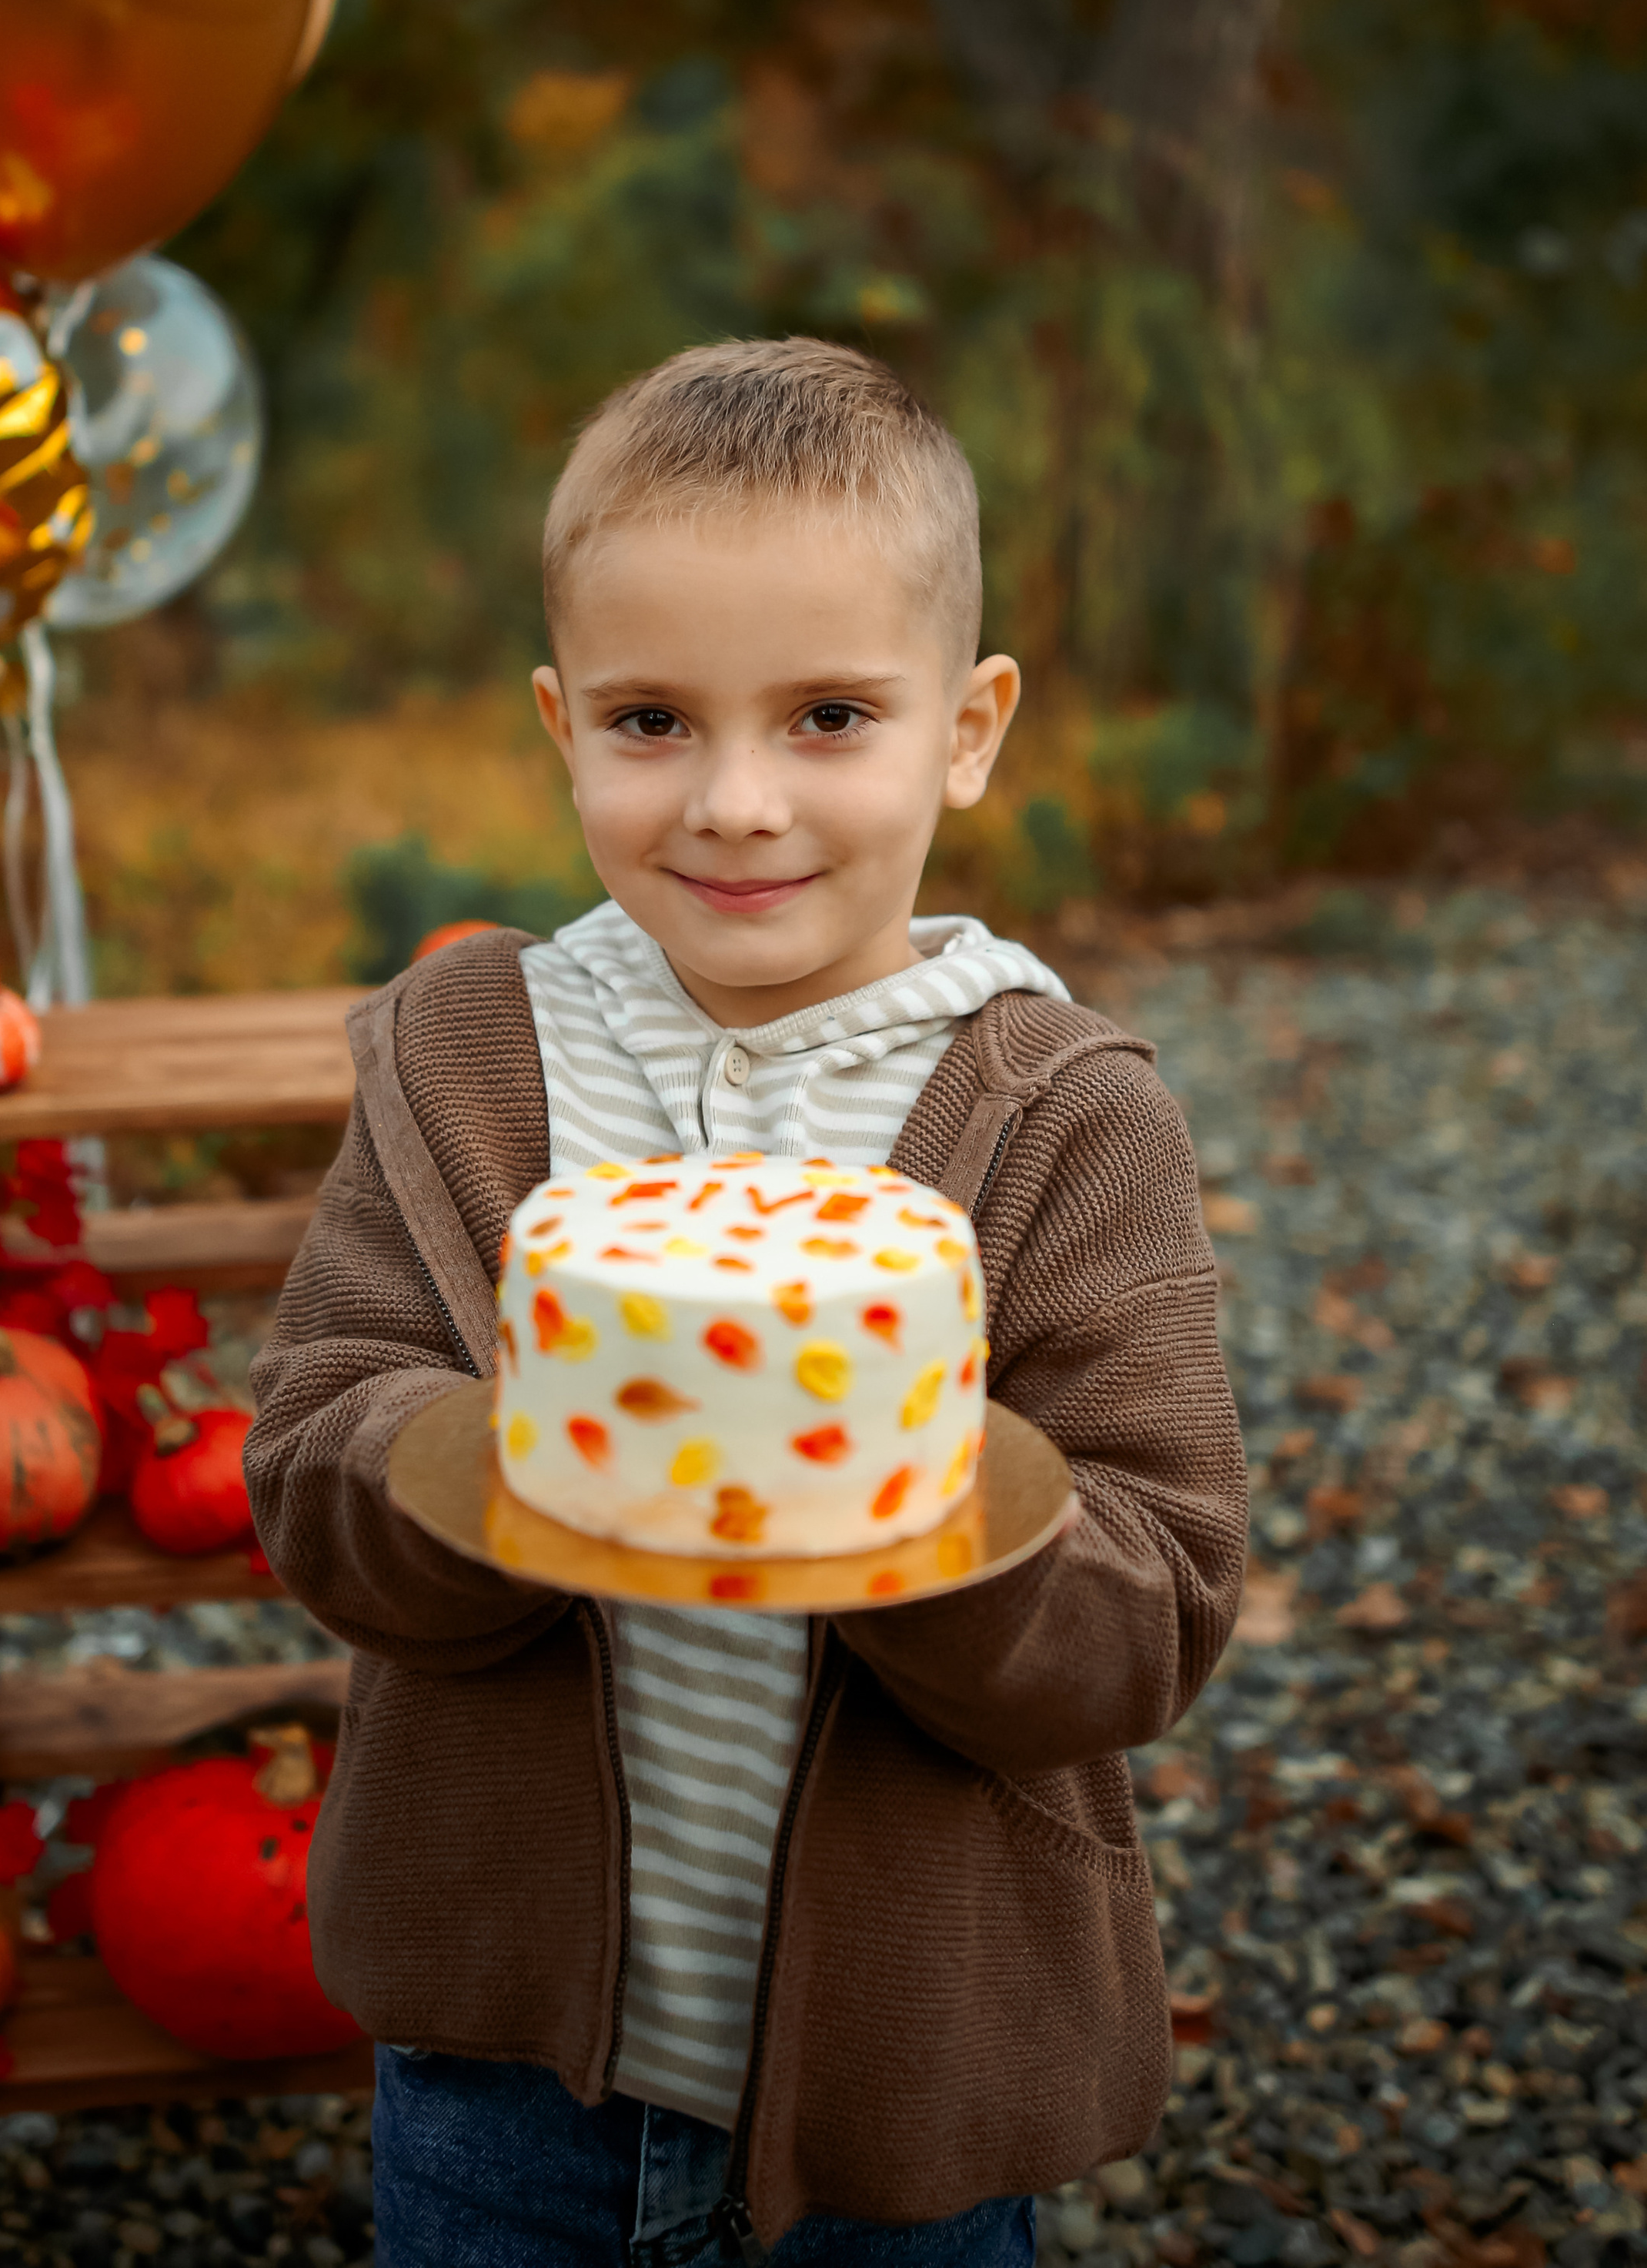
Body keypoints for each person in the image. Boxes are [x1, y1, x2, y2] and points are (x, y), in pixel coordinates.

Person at [247, 337, 1248, 2268]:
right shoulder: (470, 1057)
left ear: (965, 728)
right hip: (500, 2079)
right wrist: (500, 1461)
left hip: (899, 2105)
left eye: (824, 717)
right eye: (646, 721)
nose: (730, 802)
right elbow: (311, 1443)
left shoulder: (1059, 1113)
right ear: (556, 721)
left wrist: (893, 1498)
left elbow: (1157, 1592)